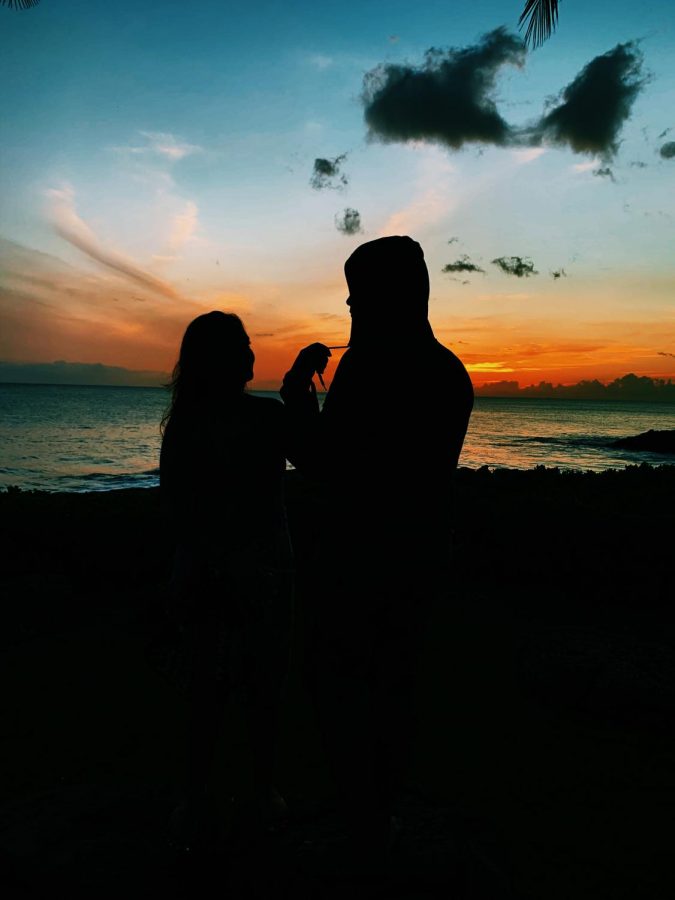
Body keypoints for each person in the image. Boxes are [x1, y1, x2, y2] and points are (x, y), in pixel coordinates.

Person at [280, 235, 473, 879]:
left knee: (340, 687)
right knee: (394, 690)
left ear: (393, 296)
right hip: (419, 558)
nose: (351, 306)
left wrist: (297, 401)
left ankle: (362, 825)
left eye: (359, 295)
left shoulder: (370, 368)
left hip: (357, 564)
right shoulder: (448, 371)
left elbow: (326, 468)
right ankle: (376, 818)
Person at [159, 311, 293, 852]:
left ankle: (200, 802)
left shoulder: (186, 423)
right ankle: (256, 797)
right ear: (222, 358)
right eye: (241, 344)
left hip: (208, 569)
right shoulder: (267, 418)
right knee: (256, 689)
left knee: (208, 692)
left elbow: (175, 508)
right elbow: (321, 456)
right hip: (255, 570)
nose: (251, 351)